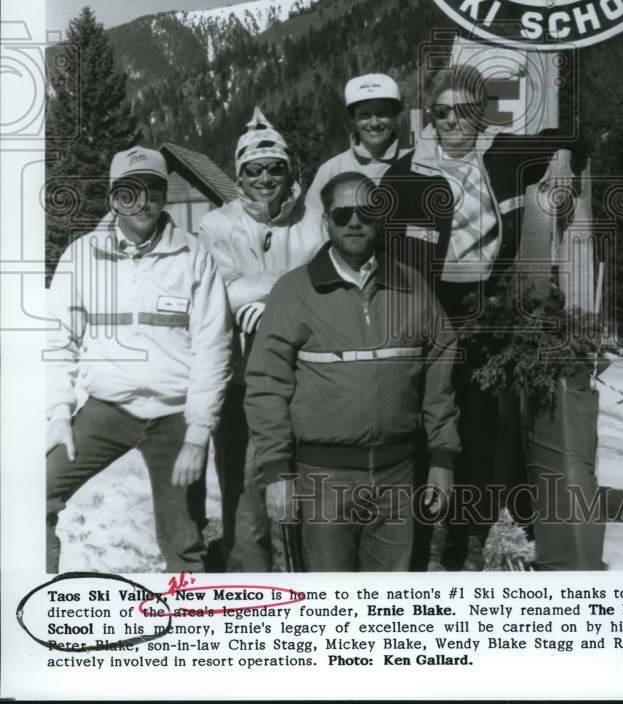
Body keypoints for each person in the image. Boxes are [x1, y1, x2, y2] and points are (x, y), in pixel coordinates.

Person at [379, 63, 584, 569]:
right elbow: (383, 250)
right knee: (426, 428)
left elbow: (574, 136)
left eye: (463, 111)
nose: (451, 121)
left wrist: (565, 164)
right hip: (426, 310)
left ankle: (467, 547)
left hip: (485, 312)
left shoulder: (503, 158)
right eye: (441, 111)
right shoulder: (406, 172)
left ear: (480, 115)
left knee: (479, 434)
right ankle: (419, 550)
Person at [244, 172, 460, 572]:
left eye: (366, 212)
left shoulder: (412, 289)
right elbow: (265, 386)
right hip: (323, 480)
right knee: (330, 609)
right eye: (343, 214)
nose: (355, 222)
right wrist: (276, 471)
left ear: (379, 218)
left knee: (389, 609)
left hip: (398, 477)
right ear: (326, 221)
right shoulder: (294, 292)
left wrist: (442, 460)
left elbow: (440, 379)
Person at [46, 147, 232, 573]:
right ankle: (39, 603)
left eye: (153, 190)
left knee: (184, 542)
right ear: (113, 198)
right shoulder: (81, 256)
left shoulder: (193, 255)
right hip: (107, 410)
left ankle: (187, 628)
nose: (143, 202)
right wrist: (59, 412)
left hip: (175, 415)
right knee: (32, 498)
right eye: (130, 192)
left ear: (165, 195)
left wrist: (198, 435)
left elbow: (214, 347)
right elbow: (58, 340)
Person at [198, 108, 322, 570]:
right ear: (239, 173)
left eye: (276, 167)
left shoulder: (314, 219)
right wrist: (289, 291)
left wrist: (261, 291)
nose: (265, 177)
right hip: (241, 385)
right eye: (254, 169)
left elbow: (323, 284)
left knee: (301, 493)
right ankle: (247, 592)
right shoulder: (216, 225)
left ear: (290, 170)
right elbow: (221, 290)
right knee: (245, 499)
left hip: (306, 377)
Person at [304, 73, 409, 219]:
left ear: (394, 116)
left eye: (382, 114)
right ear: (353, 119)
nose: (374, 123)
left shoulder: (417, 164)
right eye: (364, 115)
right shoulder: (331, 170)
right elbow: (313, 225)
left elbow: (434, 224)